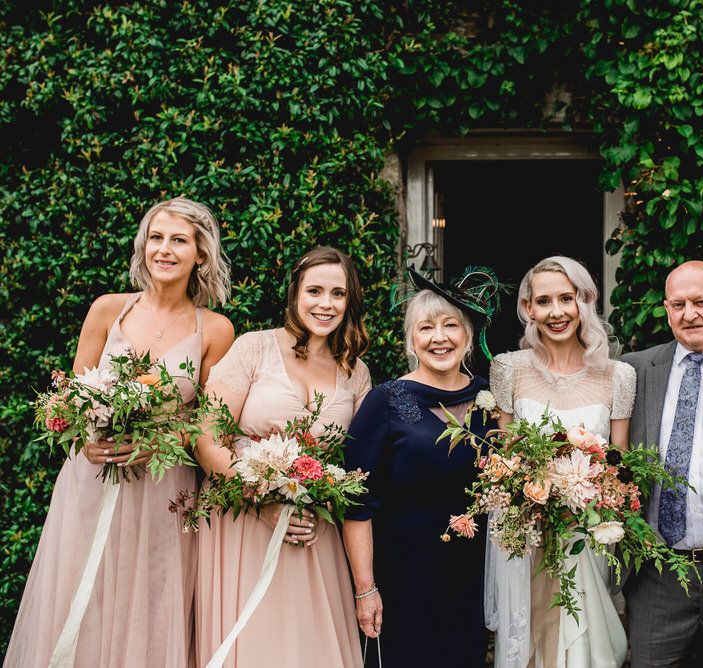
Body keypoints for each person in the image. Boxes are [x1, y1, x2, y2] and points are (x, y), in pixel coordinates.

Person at [4, 197, 235, 667]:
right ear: (142, 247)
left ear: (200, 255)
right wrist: (85, 441)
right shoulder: (109, 310)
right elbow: (68, 403)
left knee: (152, 602)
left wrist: (156, 442)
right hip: (91, 483)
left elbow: (210, 425)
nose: (164, 250)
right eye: (155, 238)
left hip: (162, 490)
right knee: (82, 600)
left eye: (178, 240)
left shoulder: (215, 329)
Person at [194, 246, 372, 668]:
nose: (325, 304)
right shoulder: (253, 348)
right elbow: (206, 438)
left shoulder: (356, 372)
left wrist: (326, 495)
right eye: (314, 291)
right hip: (241, 524)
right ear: (295, 294)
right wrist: (262, 501)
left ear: (350, 302)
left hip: (314, 533)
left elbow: (357, 464)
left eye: (337, 294)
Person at [342, 265, 501, 667]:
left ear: (467, 337)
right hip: (403, 579)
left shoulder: (492, 399)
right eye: (426, 328)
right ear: (411, 340)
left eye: (451, 325)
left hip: (471, 577)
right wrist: (365, 590)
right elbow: (356, 505)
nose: (439, 337)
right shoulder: (385, 402)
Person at [486, 255, 636, 668]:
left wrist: (586, 497)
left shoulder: (619, 376)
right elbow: (505, 458)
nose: (556, 312)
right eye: (544, 301)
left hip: (587, 540)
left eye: (566, 299)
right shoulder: (508, 369)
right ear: (528, 309)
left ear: (584, 301)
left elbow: (619, 471)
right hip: (528, 540)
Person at [621, 260, 703, 667]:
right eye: (678, 304)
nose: (690, 314)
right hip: (657, 578)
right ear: (666, 310)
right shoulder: (635, 370)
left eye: (701, 302)